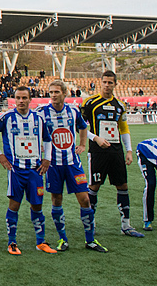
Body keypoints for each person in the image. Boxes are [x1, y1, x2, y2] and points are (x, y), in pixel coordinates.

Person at [38, 80, 107, 253]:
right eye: (51, 92)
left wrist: (82, 144)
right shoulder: (41, 113)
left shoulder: (73, 111)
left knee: (85, 199)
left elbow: (83, 127)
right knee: (57, 200)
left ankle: (90, 240)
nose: (53, 95)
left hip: (72, 163)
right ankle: (63, 239)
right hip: (53, 165)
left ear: (64, 93)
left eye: (56, 92)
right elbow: (33, 130)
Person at [0, 85, 56, 255]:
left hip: (35, 170)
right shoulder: (8, 117)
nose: (21, 101)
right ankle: (12, 242)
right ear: (14, 99)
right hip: (16, 170)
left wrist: (47, 158)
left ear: (30, 100)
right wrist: (0, 155)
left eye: (24, 98)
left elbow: (48, 139)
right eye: (18, 98)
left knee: (37, 206)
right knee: (14, 205)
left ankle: (41, 242)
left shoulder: (39, 119)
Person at [80, 71, 143, 237]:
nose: (107, 85)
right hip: (97, 150)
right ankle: (90, 224)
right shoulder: (90, 103)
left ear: (115, 84)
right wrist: (96, 138)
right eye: (105, 82)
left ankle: (126, 225)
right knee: (94, 186)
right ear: (100, 83)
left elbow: (123, 128)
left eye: (110, 82)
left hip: (116, 151)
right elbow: (79, 125)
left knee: (122, 185)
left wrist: (129, 150)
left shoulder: (120, 106)